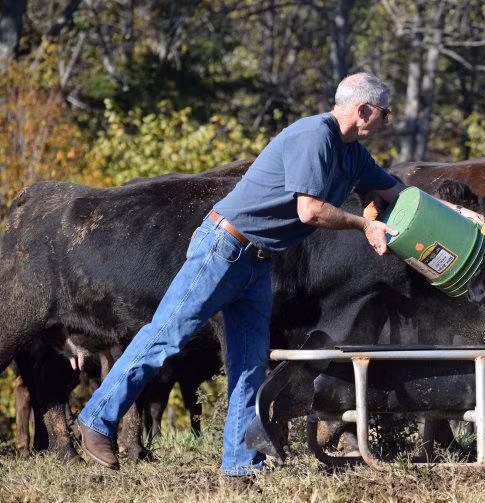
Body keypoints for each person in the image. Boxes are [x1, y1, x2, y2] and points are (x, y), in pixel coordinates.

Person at [76, 72, 406, 478]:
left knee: (250, 363)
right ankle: (96, 419)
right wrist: (364, 225)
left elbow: (397, 192)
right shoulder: (314, 136)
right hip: (222, 249)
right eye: (385, 112)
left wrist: (459, 218)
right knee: (167, 335)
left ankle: (239, 465)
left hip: (257, 261)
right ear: (363, 109)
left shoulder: (353, 154)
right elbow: (309, 210)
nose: (387, 121)